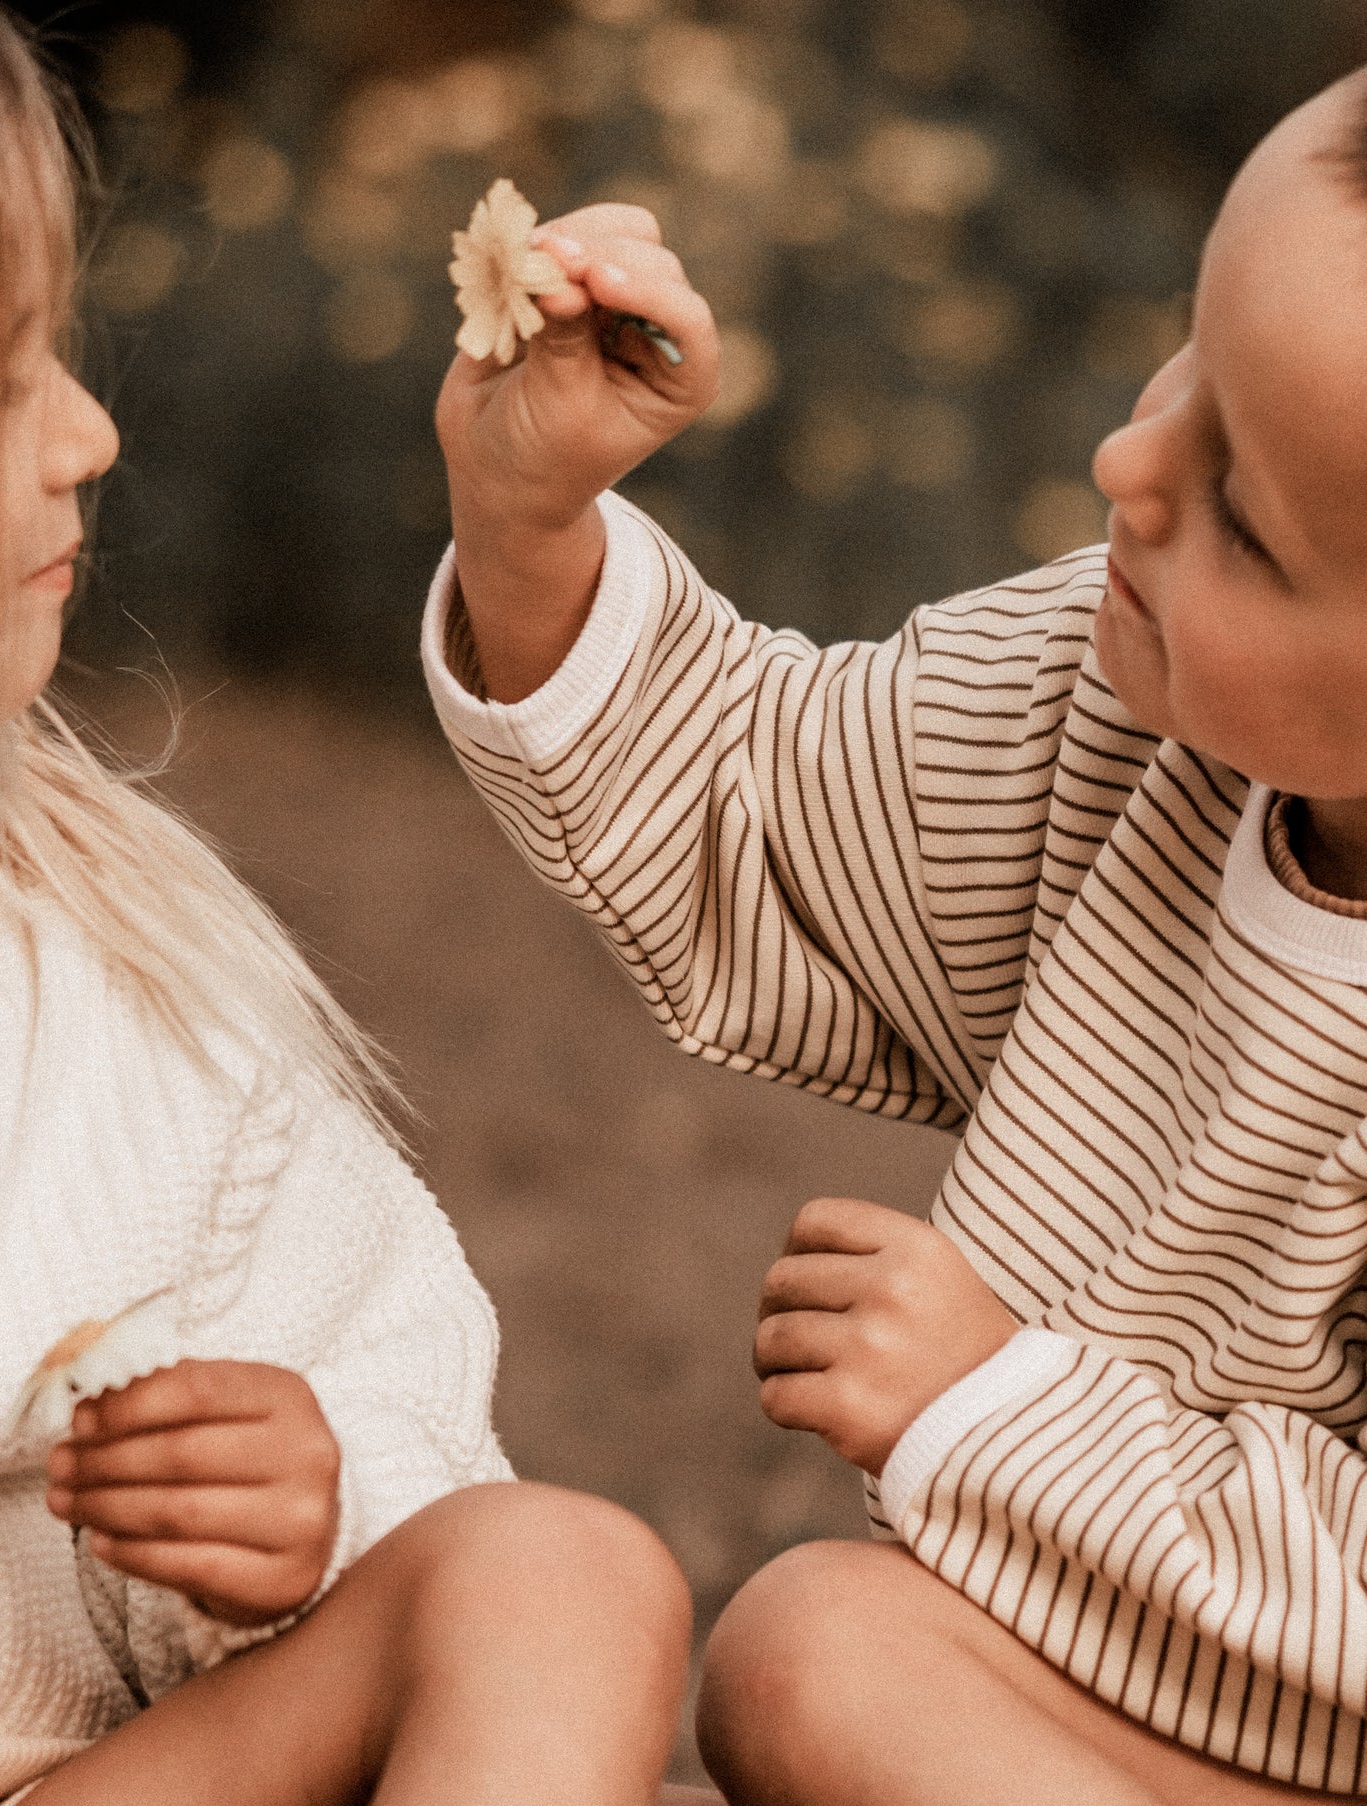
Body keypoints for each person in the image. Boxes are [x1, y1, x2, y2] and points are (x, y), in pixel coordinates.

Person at [427, 59, 1367, 1806]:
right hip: (1144, 1700)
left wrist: (1006, 1404)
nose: (1127, 465)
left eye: (1241, 508)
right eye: (1189, 368)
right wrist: (529, 527)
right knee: (813, 1655)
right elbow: (754, 802)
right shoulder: (1123, 708)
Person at [0, 4, 701, 1804]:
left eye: (66, 359)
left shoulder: (109, 959)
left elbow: (385, 1379)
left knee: (558, 1576)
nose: (89, 434)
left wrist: (301, 1504)